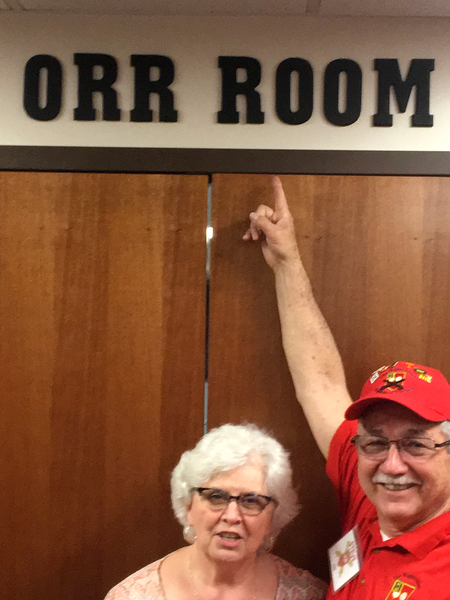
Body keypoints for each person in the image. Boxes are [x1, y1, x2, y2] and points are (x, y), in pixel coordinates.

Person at [244, 177, 450, 599]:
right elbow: (319, 382)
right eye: (375, 443)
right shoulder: (367, 490)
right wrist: (287, 262)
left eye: (416, 444)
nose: (392, 466)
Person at [104, 423, 327, 600]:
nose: (231, 516)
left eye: (251, 501)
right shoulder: (131, 595)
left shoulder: (308, 595)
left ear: (272, 518)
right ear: (188, 506)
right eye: (216, 497)